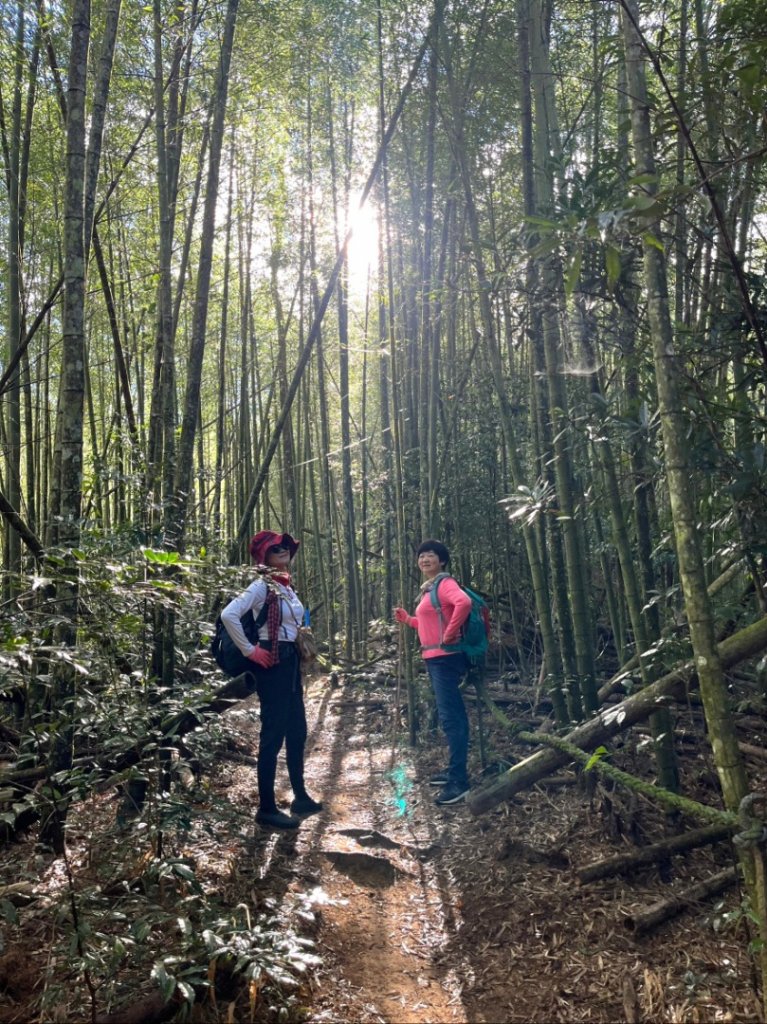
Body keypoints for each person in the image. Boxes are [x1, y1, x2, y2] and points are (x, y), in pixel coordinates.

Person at [221, 529, 322, 829]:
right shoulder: (261, 586)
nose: (282, 551)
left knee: (297, 730)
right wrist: (251, 651)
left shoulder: (287, 587)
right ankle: (266, 807)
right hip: (272, 663)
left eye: (285, 547)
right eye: (275, 548)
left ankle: (300, 796)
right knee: (273, 734)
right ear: (264, 557)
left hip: (290, 664)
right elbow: (229, 615)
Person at [394, 540, 472, 805]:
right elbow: (429, 623)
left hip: (445, 658)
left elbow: (463, 604)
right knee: (451, 715)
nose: (424, 559)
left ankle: (459, 781)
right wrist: (408, 619)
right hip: (435, 657)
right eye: (421, 556)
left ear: (442, 561)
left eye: (430, 555)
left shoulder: (446, 584)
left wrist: (450, 635)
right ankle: (454, 771)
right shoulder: (430, 590)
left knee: (452, 718)